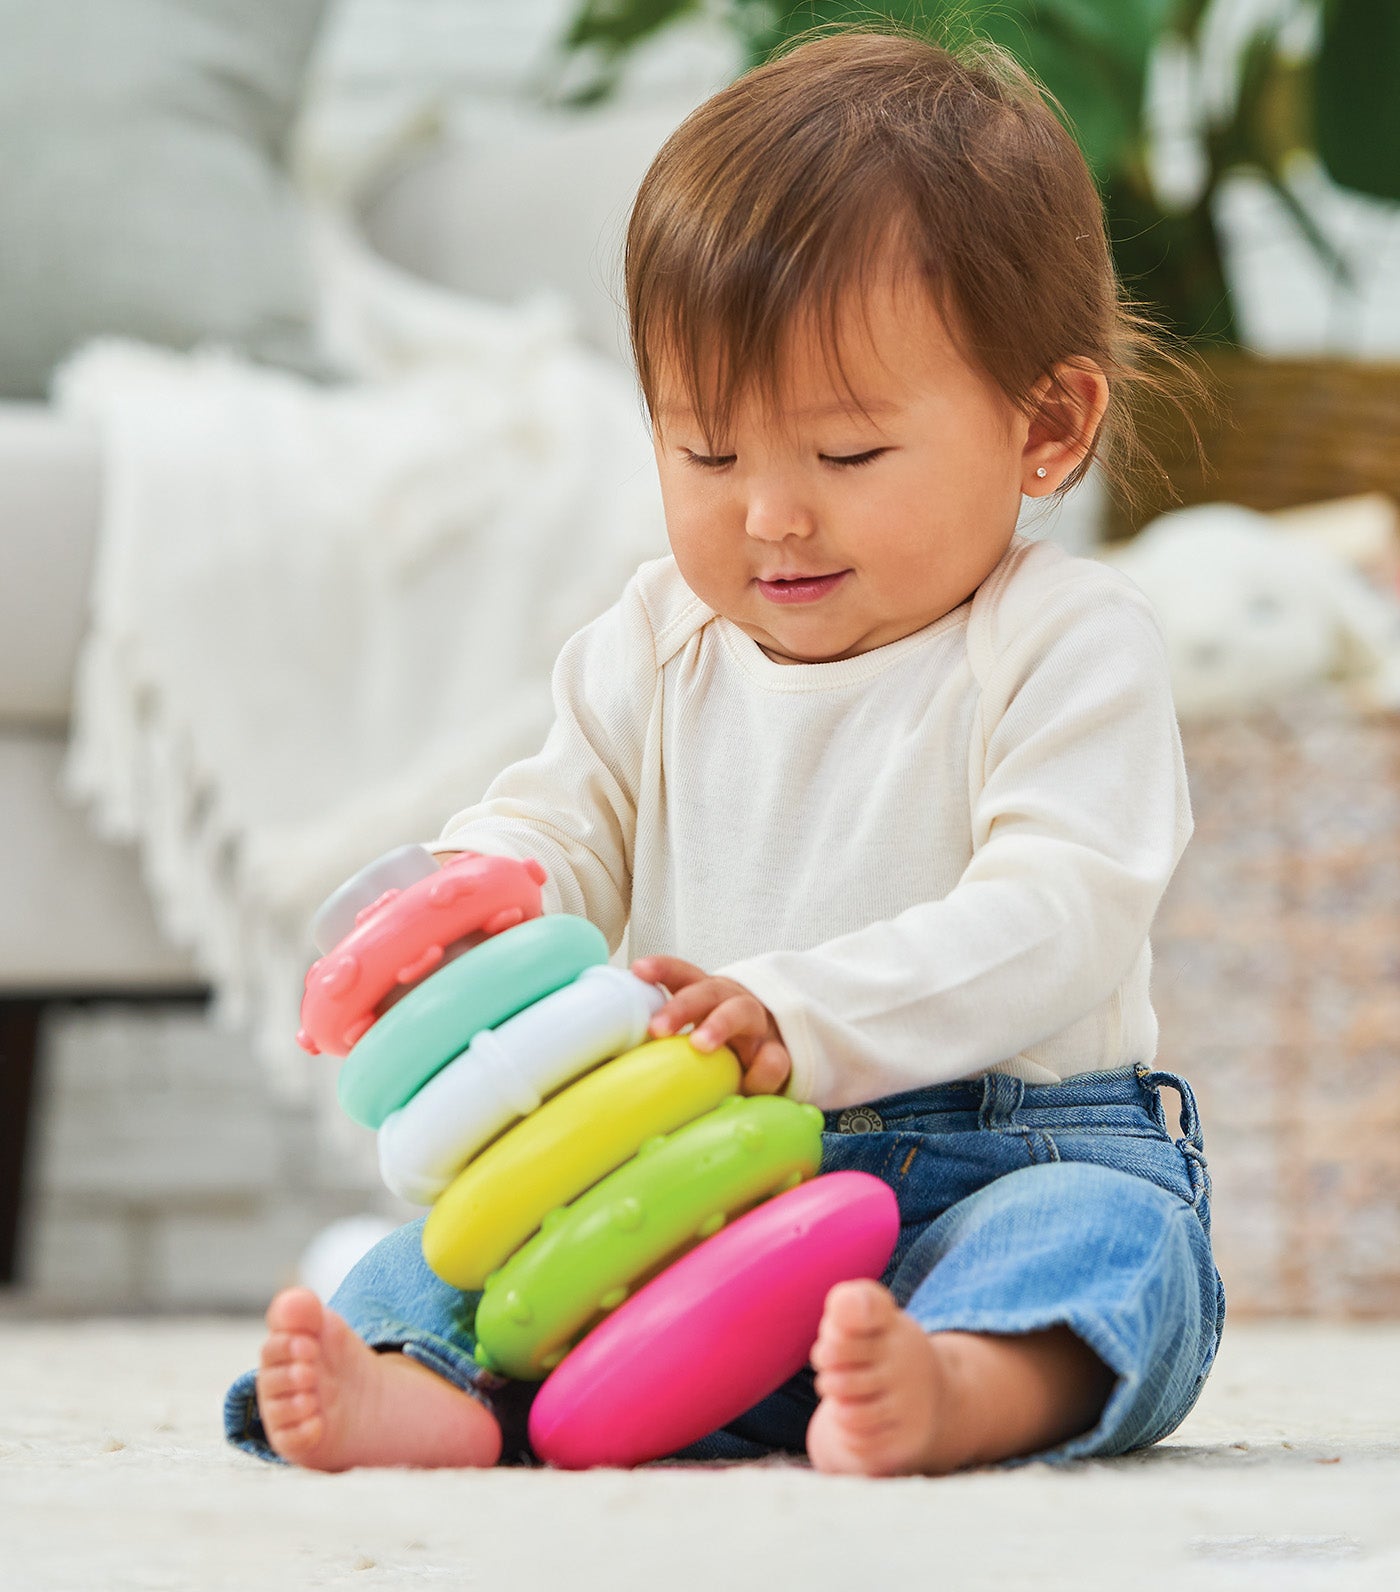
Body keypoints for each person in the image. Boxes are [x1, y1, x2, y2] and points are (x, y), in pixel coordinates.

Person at [226, 29, 1223, 1477]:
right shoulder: (655, 638)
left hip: (1008, 1151)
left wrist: (796, 1011)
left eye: (846, 457)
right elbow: (562, 824)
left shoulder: (1067, 641)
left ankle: (956, 1384)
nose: (769, 516)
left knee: (1114, 1247)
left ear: (1048, 426)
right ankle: (420, 1391)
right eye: (706, 452)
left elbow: (1059, 920)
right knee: (453, 1252)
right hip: (705, 1167)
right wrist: (481, 887)